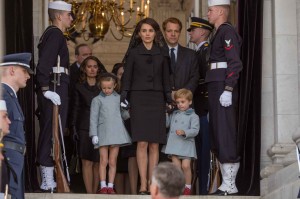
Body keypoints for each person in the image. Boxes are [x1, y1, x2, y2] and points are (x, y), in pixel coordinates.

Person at [121, 17, 172, 194]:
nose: (147, 34)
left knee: (155, 144)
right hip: (138, 98)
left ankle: (153, 183)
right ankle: (143, 184)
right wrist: (124, 96)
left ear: (156, 33)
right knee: (141, 143)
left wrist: (168, 99)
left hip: (157, 99)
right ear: (139, 34)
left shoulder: (163, 53)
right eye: (144, 31)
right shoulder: (133, 53)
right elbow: (126, 76)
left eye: (150, 31)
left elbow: (167, 78)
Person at [206, 0, 243, 195]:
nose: (208, 14)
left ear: (220, 11)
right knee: (218, 133)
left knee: (225, 133)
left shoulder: (227, 32)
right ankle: (225, 183)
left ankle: (230, 184)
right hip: (215, 87)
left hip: (222, 88)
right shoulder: (218, 33)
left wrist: (228, 88)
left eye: (210, 10)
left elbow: (234, 63)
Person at [35, 0, 73, 192]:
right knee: (51, 132)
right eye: (68, 15)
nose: (71, 19)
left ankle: (50, 176)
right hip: (54, 88)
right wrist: (45, 89)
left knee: (55, 132)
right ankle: (47, 178)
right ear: (59, 16)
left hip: (58, 88)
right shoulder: (55, 34)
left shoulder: (56, 35)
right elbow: (43, 65)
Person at [90, 73, 131, 194]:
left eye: (109, 87)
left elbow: (124, 116)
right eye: (104, 88)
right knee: (103, 160)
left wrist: (126, 108)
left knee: (113, 161)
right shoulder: (97, 100)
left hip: (116, 133)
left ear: (115, 86)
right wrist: (94, 134)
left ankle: (110, 186)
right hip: (103, 133)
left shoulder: (119, 98)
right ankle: (103, 186)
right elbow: (93, 118)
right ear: (100, 86)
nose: (106, 90)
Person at [70, 56, 106, 193]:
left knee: (98, 162)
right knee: (86, 162)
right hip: (84, 127)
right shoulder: (78, 87)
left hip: (101, 127)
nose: (92, 69)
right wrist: (73, 127)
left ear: (98, 69)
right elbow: (75, 108)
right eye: (89, 66)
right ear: (84, 69)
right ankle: (89, 194)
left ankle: (96, 194)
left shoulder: (103, 86)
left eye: (95, 66)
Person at [0, 52, 33, 199]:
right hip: (7, 157)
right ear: (12, 70)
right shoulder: (3, 94)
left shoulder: (9, 95)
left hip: (14, 158)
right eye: (24, 71)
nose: (28, 76)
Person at [187, 17, 213, 195]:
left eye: (193, 30)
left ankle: (204, 189)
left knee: (204, 151)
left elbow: (205, 80)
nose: (190, 32)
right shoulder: (197, 52)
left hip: (204, 107)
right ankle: (200, 188)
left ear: (203, 32)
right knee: (198, 152)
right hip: (196, 107)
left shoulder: (206, 51)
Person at [162, 88, 200, 195]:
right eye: (178, 102)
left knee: (186, 166)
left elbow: (195, 130)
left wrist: (184, 132)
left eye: (183, 102)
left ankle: (187, 187)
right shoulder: (174, 114)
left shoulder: (194, 116)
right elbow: (167, 124)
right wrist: (166, 113)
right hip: (174, 144)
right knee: (176, 168)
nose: (180, 105)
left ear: (190, 101)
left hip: (186, 144)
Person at [112, 63, 138, 194]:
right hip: (117, 131)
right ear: (116, 77)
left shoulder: (135, 91)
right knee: (118, 166)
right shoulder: (112, 93)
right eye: (121, 74)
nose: (124, 77)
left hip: (132, 129)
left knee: (131, 162)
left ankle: (132, 194)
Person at [162, 17, 199, 97]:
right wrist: (168, 94)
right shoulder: (157, 54)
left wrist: (182, 94)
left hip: (185, 103)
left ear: (180, 33)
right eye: (169, 31)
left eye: (176, 31)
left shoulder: (191, 54)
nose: (173, 34)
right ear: (164, 32)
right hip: (162, 102)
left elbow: (195, 78)